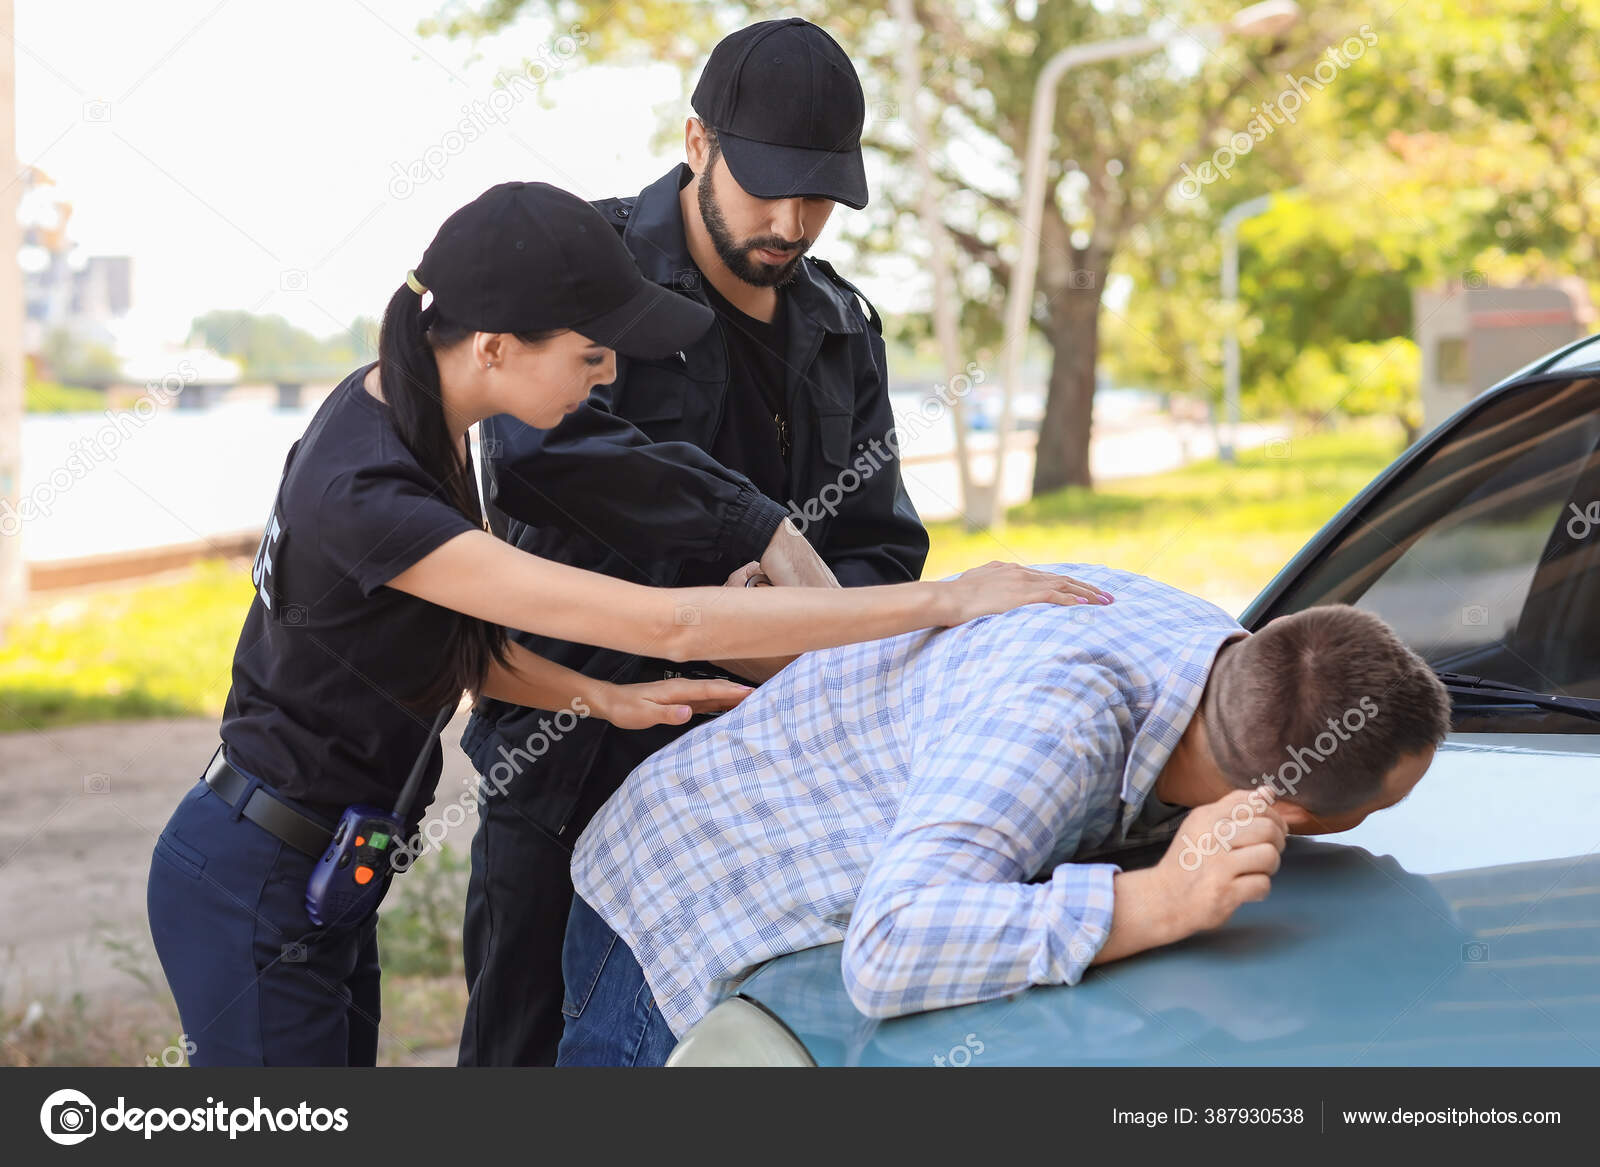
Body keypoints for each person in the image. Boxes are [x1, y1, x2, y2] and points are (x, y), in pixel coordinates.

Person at [143, 180, 1108, 1067]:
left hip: (323, 871)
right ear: (495, 346)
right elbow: (673, 618)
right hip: (255, 882)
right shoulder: (371, 489)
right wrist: (944, 600)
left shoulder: (403, 405)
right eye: (589, 356)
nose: (604, 381)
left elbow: (460, 648)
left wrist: (604, 695)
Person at [457, 18, 930, 1065]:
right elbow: (533, 446)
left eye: (819, 196)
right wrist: (748, 526)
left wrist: (798, 618)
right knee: (522, 1054)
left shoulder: (845, 325)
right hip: (570, 759)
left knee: (711, 1053)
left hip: (759, 779)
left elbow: (884, 546)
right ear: (697, 142)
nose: (790, 219)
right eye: (765, 184)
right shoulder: (582, 265)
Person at [557, 564, 1454, 1066]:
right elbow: (889, 948)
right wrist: (1157, 903)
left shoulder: (1219, 653)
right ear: (1283, 808)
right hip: (679, 903)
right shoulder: (1055, 726)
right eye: (1383, 806)